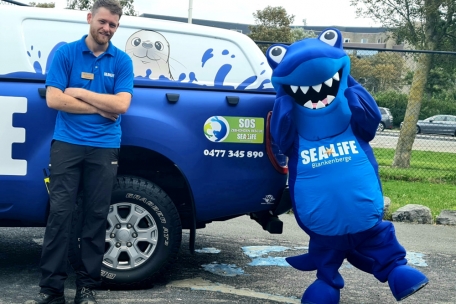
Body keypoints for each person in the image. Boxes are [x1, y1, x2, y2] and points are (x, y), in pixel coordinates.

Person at [27, 1, 133, 303]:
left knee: (96, 216)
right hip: (67, 144)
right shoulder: (66, 53)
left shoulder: (122, 61)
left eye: (113, 25)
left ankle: (86, 288)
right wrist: (101, 105)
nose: (106, 29)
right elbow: (54, 100)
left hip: (105, 147)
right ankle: (51, 290)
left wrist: (80, 93)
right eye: (102, 22)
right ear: (90, 18)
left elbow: (122, 106)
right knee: (60, 216)